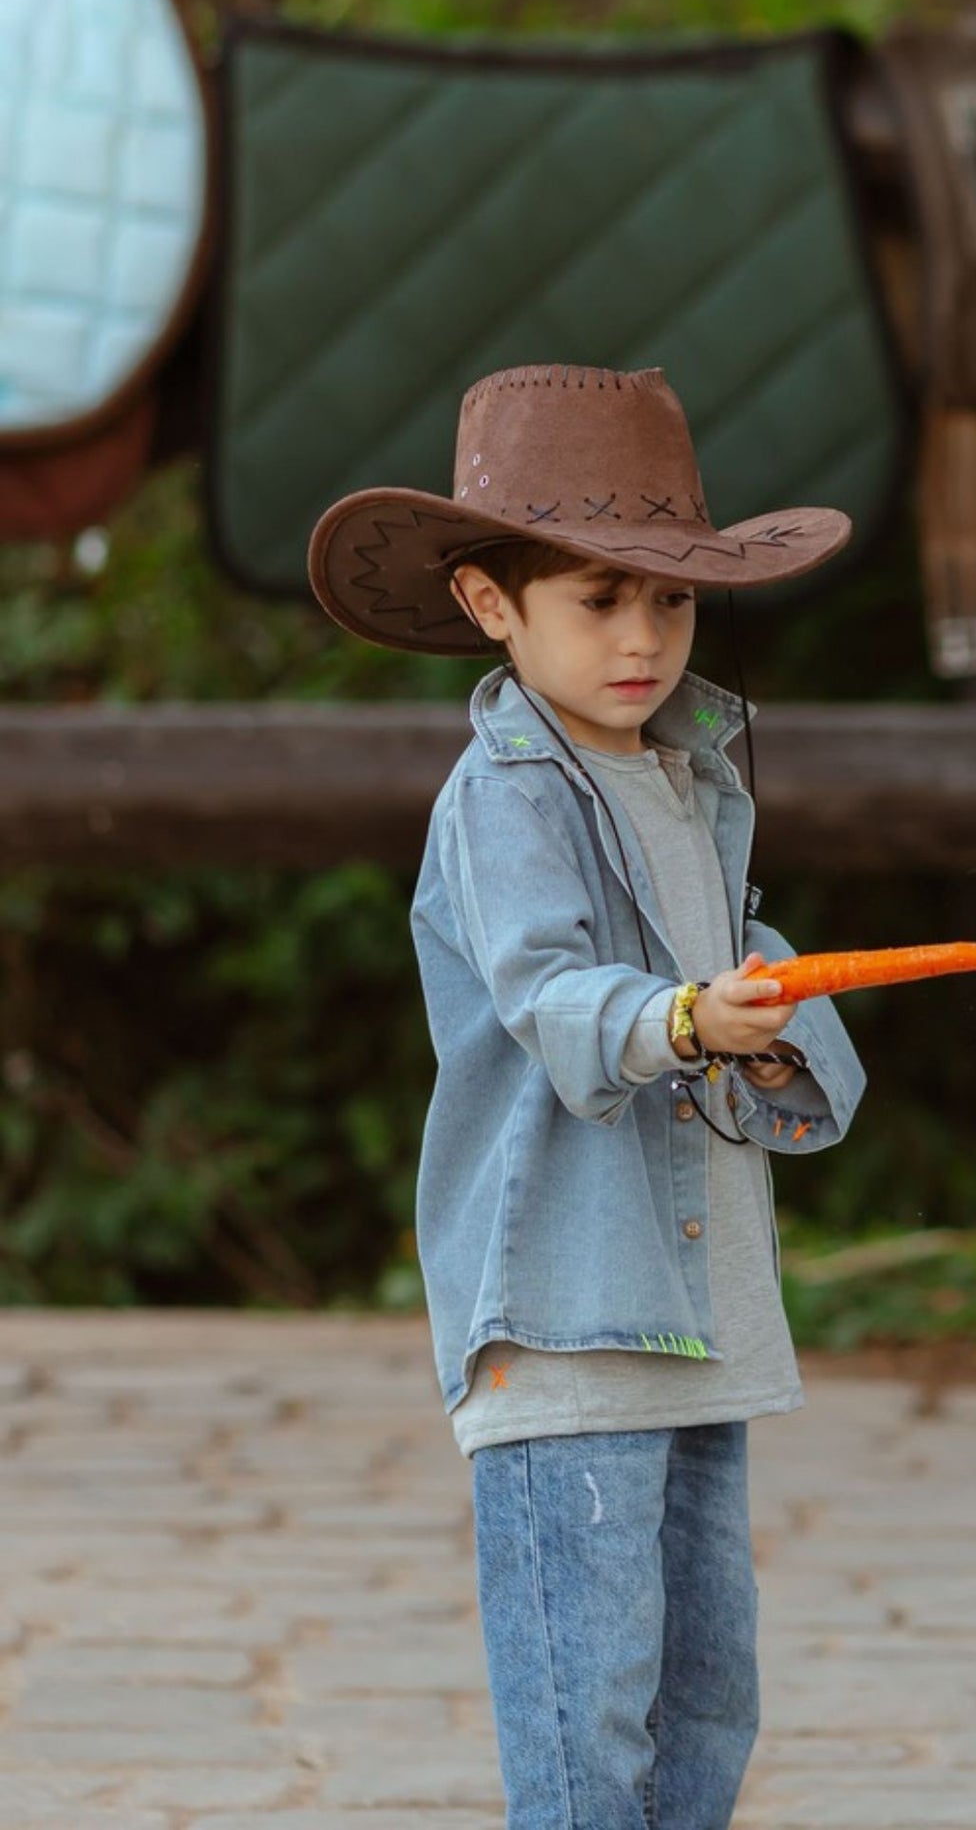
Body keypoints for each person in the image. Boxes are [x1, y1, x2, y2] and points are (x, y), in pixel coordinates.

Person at [307, 363, 867, 1829]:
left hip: (702, 1315)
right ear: (489, 603)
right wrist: (684, 1017)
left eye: (671, 602)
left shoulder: (693, 783)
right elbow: (551, 998)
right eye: (599, 598)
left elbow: (746, 986)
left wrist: (768, 1027)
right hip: (567, 1313)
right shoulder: (505, 791)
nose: (642, 638)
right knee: (586, 1710)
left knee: (707, 1697)